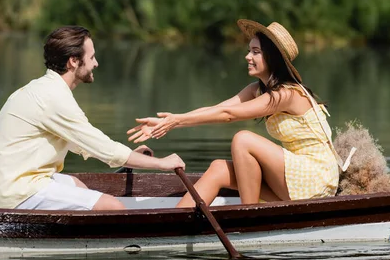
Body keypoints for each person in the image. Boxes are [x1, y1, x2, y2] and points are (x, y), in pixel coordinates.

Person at [128, 19, 352, 207]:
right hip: (295, 179)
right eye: (249, 51)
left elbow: (229, 115)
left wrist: (176, 121)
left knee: (243, 139)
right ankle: (170, 226)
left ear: (272, 57)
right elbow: (218, 109)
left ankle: (248, 216)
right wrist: (169, 121)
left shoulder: (287, 94)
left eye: (255, 52)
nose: (248, 57)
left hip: (315, 179)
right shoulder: (258, 90)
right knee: (218, 168)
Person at [0, 26, 185, 211]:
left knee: (78, 185)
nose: (96, 63)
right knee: (113, 206)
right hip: (12, 194)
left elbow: (83, 144)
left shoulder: (44, 88)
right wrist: (161, 164)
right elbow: (105, 149)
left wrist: (132, 156)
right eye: (92, 57)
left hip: (2, 188)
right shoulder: (54, 97)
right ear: (74, 61)